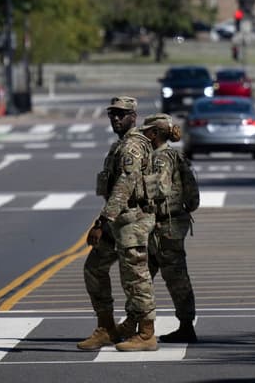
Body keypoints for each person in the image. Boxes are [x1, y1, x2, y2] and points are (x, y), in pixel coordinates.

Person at [77, 96, 158, 352]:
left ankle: (146, 334)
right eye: (112, 114)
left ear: (133, 117)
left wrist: (102, 220)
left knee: (135, 277)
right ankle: (106, 327)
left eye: (121, 114)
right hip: (118, 221)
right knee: (93, 268)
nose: (115, 118)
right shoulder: (121, 145)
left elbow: (125, 186)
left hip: (131, 221)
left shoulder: (132, 147)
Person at [140, 113, 199, 343]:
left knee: (170, 277)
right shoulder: (178, 156)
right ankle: (140, 323)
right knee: (149, 275)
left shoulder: (160, 159)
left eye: (146, 132)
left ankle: (182, 326)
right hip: (175, 222)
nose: (144, 135)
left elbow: (160, 189)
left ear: (154, 134)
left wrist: (141, 196)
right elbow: (193, 196)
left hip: (164, 225)